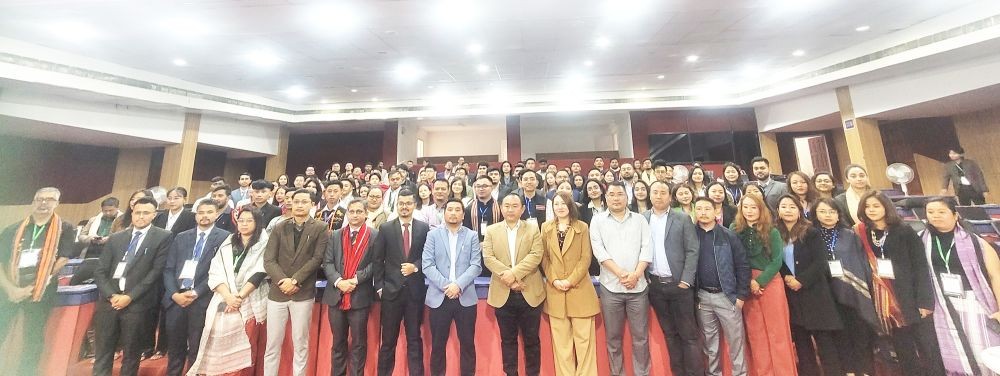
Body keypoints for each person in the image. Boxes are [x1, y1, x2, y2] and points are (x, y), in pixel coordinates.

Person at [855, 191, 944, 375]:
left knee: (927, 347)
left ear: (886, 207)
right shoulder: (863, 231)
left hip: (911, 296)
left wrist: (924, 302)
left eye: (876, 206)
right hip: (887, 300)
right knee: (903, 350)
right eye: (867, 206)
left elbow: (920, 267)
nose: (871, 210)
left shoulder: (904, 231)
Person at [0, 187, 78, 375]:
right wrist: (10, 289)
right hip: (9, 288)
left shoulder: (65, 229)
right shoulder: (13, 229)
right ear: (33, 202)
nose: (43, 203)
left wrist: (35, 286)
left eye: (49, 199)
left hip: (41, 291)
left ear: (57, 203)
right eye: (39, 199)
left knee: (33, 337)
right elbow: (1, 260)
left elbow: (63, 258)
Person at [93, 196, 173, 376]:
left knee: (131, 355)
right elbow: (100, 271)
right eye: (138, 213)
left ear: (154, 215)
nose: (141, 217)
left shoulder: (163, 237)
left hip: (138, 304)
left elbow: (155, 272)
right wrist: (111, 296)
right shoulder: (116, 237)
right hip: (109, 302)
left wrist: (129, 297)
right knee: (103, 353)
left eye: (146, 213)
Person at [922, 197, 1000, 375]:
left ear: (955, 215)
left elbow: (996, 276)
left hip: (975, 302)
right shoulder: (922, 241)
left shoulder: (976, 242)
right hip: (942, 303)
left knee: (984, 348)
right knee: (953, 350)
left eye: (941, 212)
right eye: (930, 212)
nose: (935, 216)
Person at [187, 209, 269, 376]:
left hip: (248, 301)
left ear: (257, 223)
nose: (244, 224)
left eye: (249, 220)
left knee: (246, 348)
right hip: (223, 298)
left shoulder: (264, 243)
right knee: (216, 345)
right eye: (241, 220)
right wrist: (228, 297)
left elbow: (260, 272)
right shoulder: (228, 242)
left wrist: (238, 298)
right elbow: (215, 271)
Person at [262, 189, 329, 376]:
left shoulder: (320, 228)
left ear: (312, 204)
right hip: (277, 292)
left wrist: (295, 280)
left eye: (304, 201)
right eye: (296, 201)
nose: (299, 205)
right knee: (272, 344)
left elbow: (317, 259)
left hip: (303, 292)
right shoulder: (279, 226)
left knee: (300, 343)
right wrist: (283, 280)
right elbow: (269, 260)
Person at [775, 195, 843, 376]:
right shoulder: (775, 234)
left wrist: (801, 280)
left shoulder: (811, 232)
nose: (788, 210)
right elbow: (775, 260)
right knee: (803, 345)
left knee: (825, 343)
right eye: (784, 206)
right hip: (792, 296)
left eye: (792, 206)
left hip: (814, 293)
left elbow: (821, 262)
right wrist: (787, 277)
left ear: (799, 211)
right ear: (778, 211)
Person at [161, 200, 230, 376]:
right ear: (195, 215)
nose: (204, 216)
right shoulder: (181, 236)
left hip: (201, 301)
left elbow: (218, 271)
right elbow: (168, 269)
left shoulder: (224, 237)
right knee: (175, 350)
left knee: (197, 350)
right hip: (176, 301)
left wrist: (197, 292)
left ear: (216, 215)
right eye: (201, 212)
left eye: (209, 212)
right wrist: (174, 294)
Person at [590, 182, 652, 376]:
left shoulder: (640, 220)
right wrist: (621, 274)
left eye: (620, 194)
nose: (616, 198)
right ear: (605, 197)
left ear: (627, 197)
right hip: (611, 289)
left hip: (638, 288)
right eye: (612, 194)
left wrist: (635, 275)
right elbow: (599, 251)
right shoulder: (598, 221)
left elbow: (647, 249)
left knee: (640, 338)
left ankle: (642, 373)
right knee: (613, 339)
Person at [811, 197, 879, 375]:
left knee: (859, 332)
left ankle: (864, 369)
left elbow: (862, 262)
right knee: (839, 336)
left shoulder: (850, 235)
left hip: (853, 292)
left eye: (832, 211)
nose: (828, 215)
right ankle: (847, 369)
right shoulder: (811, 236)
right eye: (823, 211)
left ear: (838, 214)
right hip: (827, 294)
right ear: (815, 214)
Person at [731, 193, 796, 376]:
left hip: (770, 282)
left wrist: (758, 281)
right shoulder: (734, 228)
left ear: (761, 209)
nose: (750, 211)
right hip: (745, 282)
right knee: (756, 333)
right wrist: (746, 282)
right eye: (746, 207)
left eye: (754, 207)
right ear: (740, 209)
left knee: (778, 333)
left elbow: (777, 261)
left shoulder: (772, 231)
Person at [643, 180, 703, 376]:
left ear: (670, 197)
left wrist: (686, 280)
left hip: (680, 285)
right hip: (656, 286)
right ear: (649, 195)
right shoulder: (642, 219)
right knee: (670, 334)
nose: (658, 196)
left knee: (689, 335)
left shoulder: (682, 218)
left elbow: (693, 250)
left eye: (663, 192)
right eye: (655, 192)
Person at [482, 193, 546, 376]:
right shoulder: (492, 230)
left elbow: (536, 255)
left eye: (514, 206)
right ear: (501, 208)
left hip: (529, 292)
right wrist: (509, 279)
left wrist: (514, 274)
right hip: (503, 293)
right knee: (508, 340)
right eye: (507, 206)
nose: (510, 209)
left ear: (522, 209)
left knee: (532, 341)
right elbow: (488, 258)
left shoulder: (533, 229)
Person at [540, 191, 600, 376]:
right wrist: (555, 280)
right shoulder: (545, 227)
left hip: (580, 290)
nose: (560, 207)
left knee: (584, 344)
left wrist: (569, 280)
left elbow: (585, 258)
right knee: (562, 346)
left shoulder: (582, 227)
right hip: (555, 291)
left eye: (563, 203)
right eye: (556, 204)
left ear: (570, 206)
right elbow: (544, 258)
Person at [422, 199, 482, 376]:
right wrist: (447, 286)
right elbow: (427, 265)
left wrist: (458, 285)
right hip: (440, 298)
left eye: (458, 210)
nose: (453, 213)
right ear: (444, 213)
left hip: (465, 297)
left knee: (468, 345)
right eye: (450, 209)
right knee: (438, 345)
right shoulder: (433, 235)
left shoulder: (472, 235)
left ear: (463, 214)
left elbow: (476, 265)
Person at [692, 196, 751, 376]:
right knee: (710, 345)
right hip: (702, 296)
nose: (703, 212)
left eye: (707, 209)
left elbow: (742, 265)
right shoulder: (691, 235)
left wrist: (741, 296)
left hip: (727, 296)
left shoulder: (728, 235)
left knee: (736, 343)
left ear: (715, 212)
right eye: (699, 208)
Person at [374, 189, 430, 376]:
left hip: (414, 292)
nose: (404, 207)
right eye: (401, 203)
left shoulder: (423, 227)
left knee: (414, 339)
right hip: (391, 293)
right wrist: (380, 287)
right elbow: (377, 259)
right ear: (396, 205)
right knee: (388, 342)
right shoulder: (386, 228)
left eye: (408, 203)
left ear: (414, 205)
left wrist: (415, 267)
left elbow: (428, 257)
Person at [323, 199, 379, 376]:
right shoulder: (335, 234)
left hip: (359, 295)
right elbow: (328, 262)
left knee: (358, 344)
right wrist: (339, 282)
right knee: (338, 343)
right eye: (351, 211)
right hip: (336, 295)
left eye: (358, 212)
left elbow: (375, 263)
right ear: (347, 213)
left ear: (366, 214)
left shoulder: (375, 235)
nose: (355, 215)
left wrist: (355, 280)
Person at [464, 176, 501, 243]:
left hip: (496, 244)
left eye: (485, 186)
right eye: (478, 186)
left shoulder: (500, 208)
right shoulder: (468, 209)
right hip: (474, 245)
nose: (481, 189)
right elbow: (466, 230)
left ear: (492, 187)